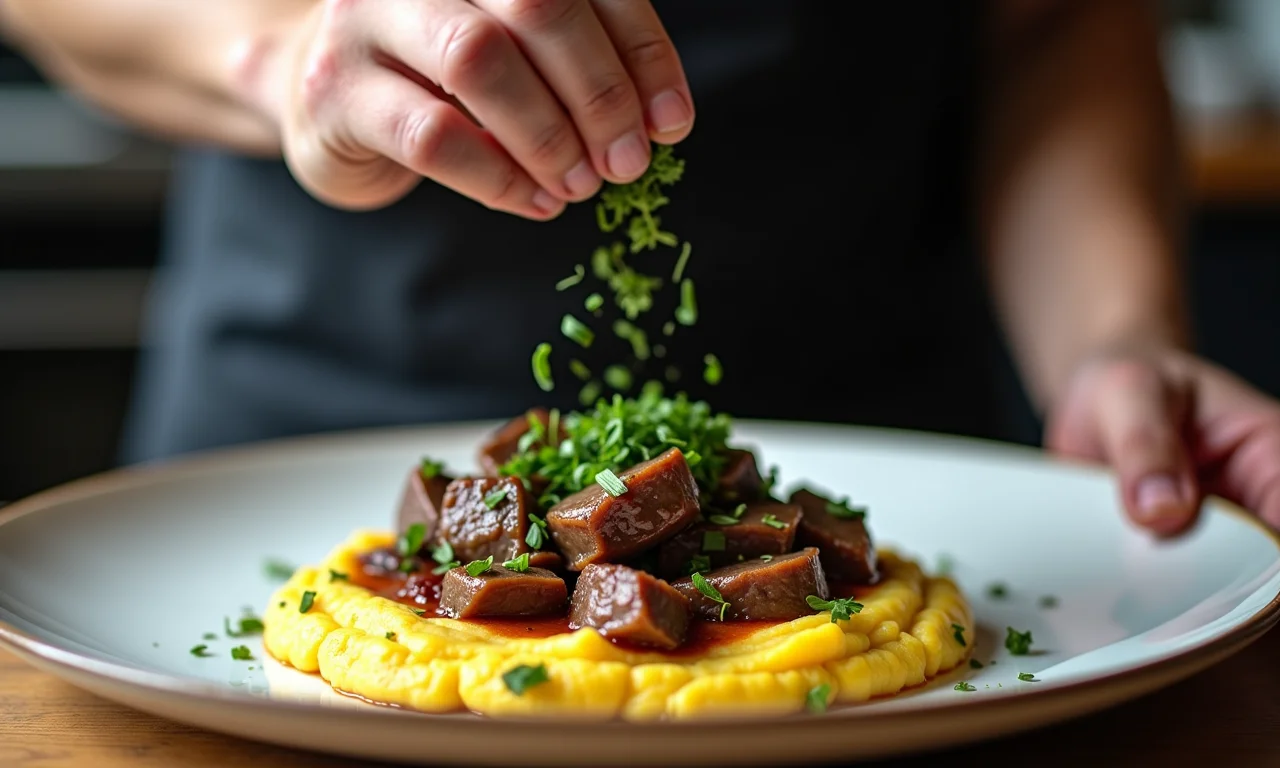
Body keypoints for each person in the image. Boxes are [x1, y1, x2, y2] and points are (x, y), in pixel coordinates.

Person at [2, 0, 1278, 537]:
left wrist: (1112, 337)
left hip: (884, 470)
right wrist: (281, 54)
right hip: (271, 460)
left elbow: (1055, 22)